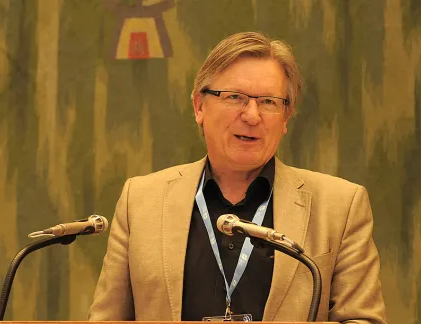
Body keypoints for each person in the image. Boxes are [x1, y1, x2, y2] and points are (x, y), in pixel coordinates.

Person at [88, 31, 386, 323]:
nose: (253, 115)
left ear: (286, 117)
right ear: (199, 106)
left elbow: (362, 319)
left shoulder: (340, 206)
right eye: (235, 97)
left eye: (269, 102)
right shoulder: (140, 201)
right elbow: (106, 319)